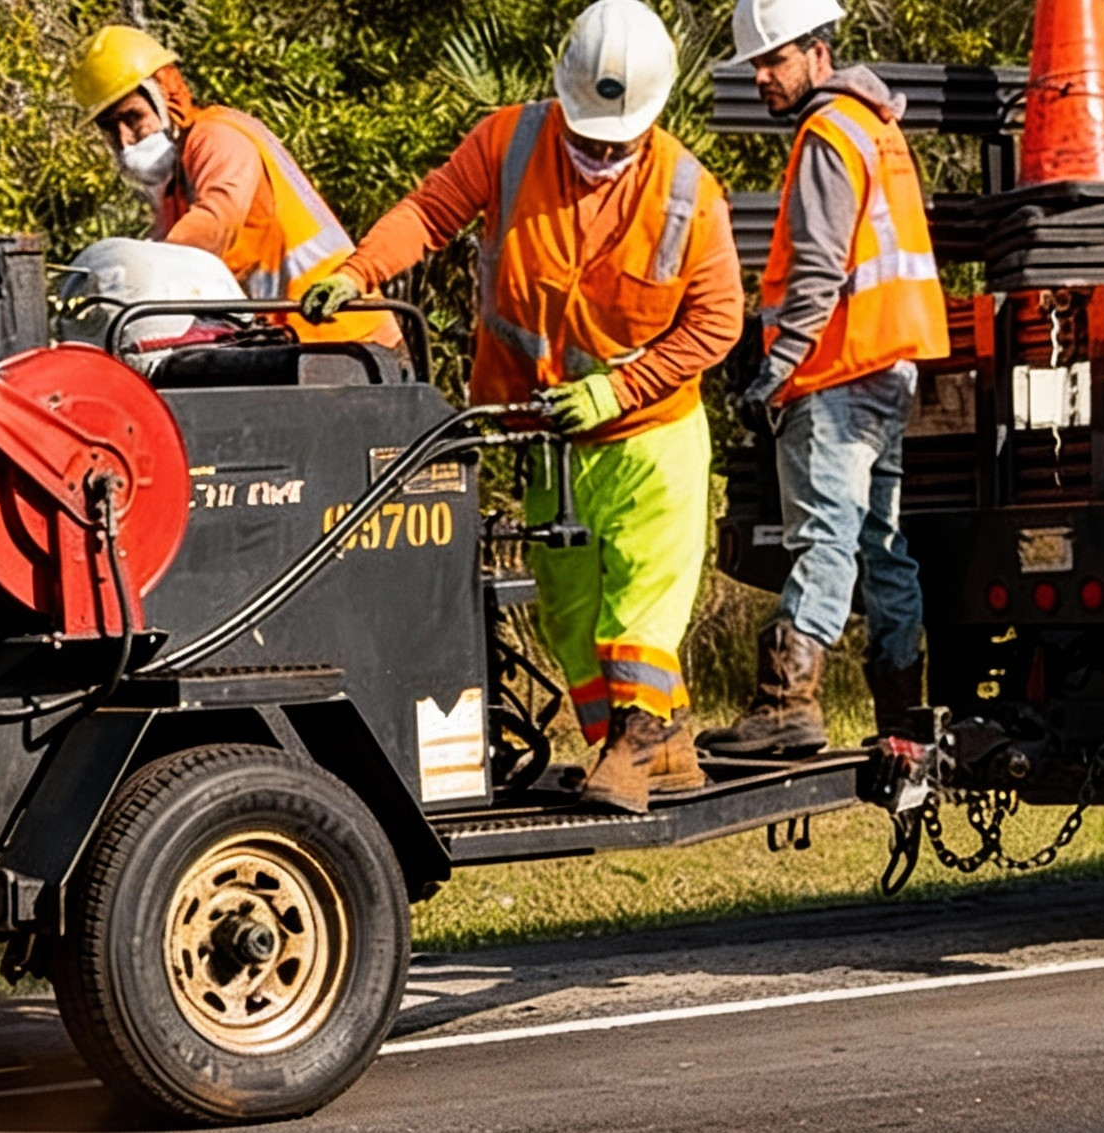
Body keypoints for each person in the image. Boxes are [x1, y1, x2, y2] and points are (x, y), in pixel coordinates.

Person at [301, 0, 743, 813]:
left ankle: (632, 746)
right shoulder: (507, 142)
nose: (597, 154)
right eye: (585, 138)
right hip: (545, 434)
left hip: (650, 435)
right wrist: (358, 273)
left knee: (640, 607)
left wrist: (620, 386)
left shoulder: (688, 193)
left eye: (614, 144)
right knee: (570, 615)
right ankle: (660, 744)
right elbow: (429, 211)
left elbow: (717, 321)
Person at [697, 0, 948, 756]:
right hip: (886, 365)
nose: (762, 78)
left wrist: (775, 369)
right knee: (881, 542)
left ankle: (786, 702)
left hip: (834, 368)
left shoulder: (826, 134)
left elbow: (817, 267)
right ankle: (901, 710)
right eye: (757, 65)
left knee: (824, 538)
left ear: (818, 52)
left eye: (774, 60)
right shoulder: (875, 125)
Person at [70, 25, 398, 347]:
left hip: (345, 336)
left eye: (133, 118)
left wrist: (143, 279)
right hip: (294, 342)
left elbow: (216, 221)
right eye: (110, 128)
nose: (125, 138)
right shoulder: (176, 186)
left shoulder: (216, 137)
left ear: (163, 95)